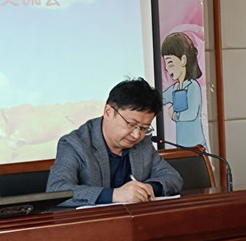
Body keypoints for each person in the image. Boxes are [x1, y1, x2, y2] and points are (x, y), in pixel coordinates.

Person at [46, 78, 183, 207]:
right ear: (108, 112)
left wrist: (149, 188)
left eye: (144, 128)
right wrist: (114, 195)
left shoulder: (143, 144)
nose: (136, 135)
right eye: (131, 124)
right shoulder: (75, 144)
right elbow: (56, 189)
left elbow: (173, 177)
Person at [161, 32, 207, 150]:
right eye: (165, 64)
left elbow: (191, 114)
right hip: (181, 144)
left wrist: (174, 115)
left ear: (183, 59)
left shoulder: (193, 86)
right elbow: (161, 98)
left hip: (196, 145)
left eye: (170, 63)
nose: (167, 68)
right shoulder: (175, 88)